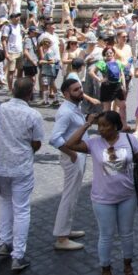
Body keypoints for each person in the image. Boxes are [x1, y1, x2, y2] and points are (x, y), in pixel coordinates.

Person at [65, 111, 138, 275]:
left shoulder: (129, 139)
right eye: (99, 125)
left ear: (115, 126)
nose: (101, 129)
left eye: (105, 126)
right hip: (102, 199)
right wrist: (87, 124)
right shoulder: (94, 143)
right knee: (106, 235)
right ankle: (106, 268)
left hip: (127, 196)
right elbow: (70, 144)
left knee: (127, 234)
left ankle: (128, 266)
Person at [0, 78, 44, 272]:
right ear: (30, 93)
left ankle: (3, 243)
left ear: (12, 90)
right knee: (21, 210)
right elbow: (37, 143)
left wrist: (0, 136)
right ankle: (18, 255)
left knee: (5, 202)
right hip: (21, 168)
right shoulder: (33, 115)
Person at [49, 79, 90, 251]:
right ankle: (62, 237)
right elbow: (54, 138)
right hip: (73, 157)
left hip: (77, 156)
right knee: (69, 195)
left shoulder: (74, 107)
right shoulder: (66, 112)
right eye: (76, 90)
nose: (80, 91)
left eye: (80, 88)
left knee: (72, 195)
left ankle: (65, 230)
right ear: (66, 94)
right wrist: (72, 154)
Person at [91, 47, 128, 122]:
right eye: (107, 53)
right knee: (107, 109)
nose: (109, 54)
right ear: (104, 54)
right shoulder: (102, 63)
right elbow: (91, 72)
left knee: (123, 106)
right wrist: (100, 79)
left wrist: (124, 86)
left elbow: (122, 74)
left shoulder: (118, 62)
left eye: (111, 53)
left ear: (114, 54)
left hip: (117, 86)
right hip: (107, 86)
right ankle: (104, 125)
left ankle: (124, 125)